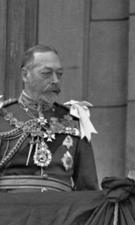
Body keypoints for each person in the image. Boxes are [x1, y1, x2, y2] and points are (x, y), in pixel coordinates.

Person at [0, 44, 99, 192]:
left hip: (61, 212)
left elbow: (88, 187)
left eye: (59, 74)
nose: (55, 80)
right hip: (11, 211)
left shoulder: (75, 119)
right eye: (46, 73)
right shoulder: (3, 115)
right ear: (25, 75)